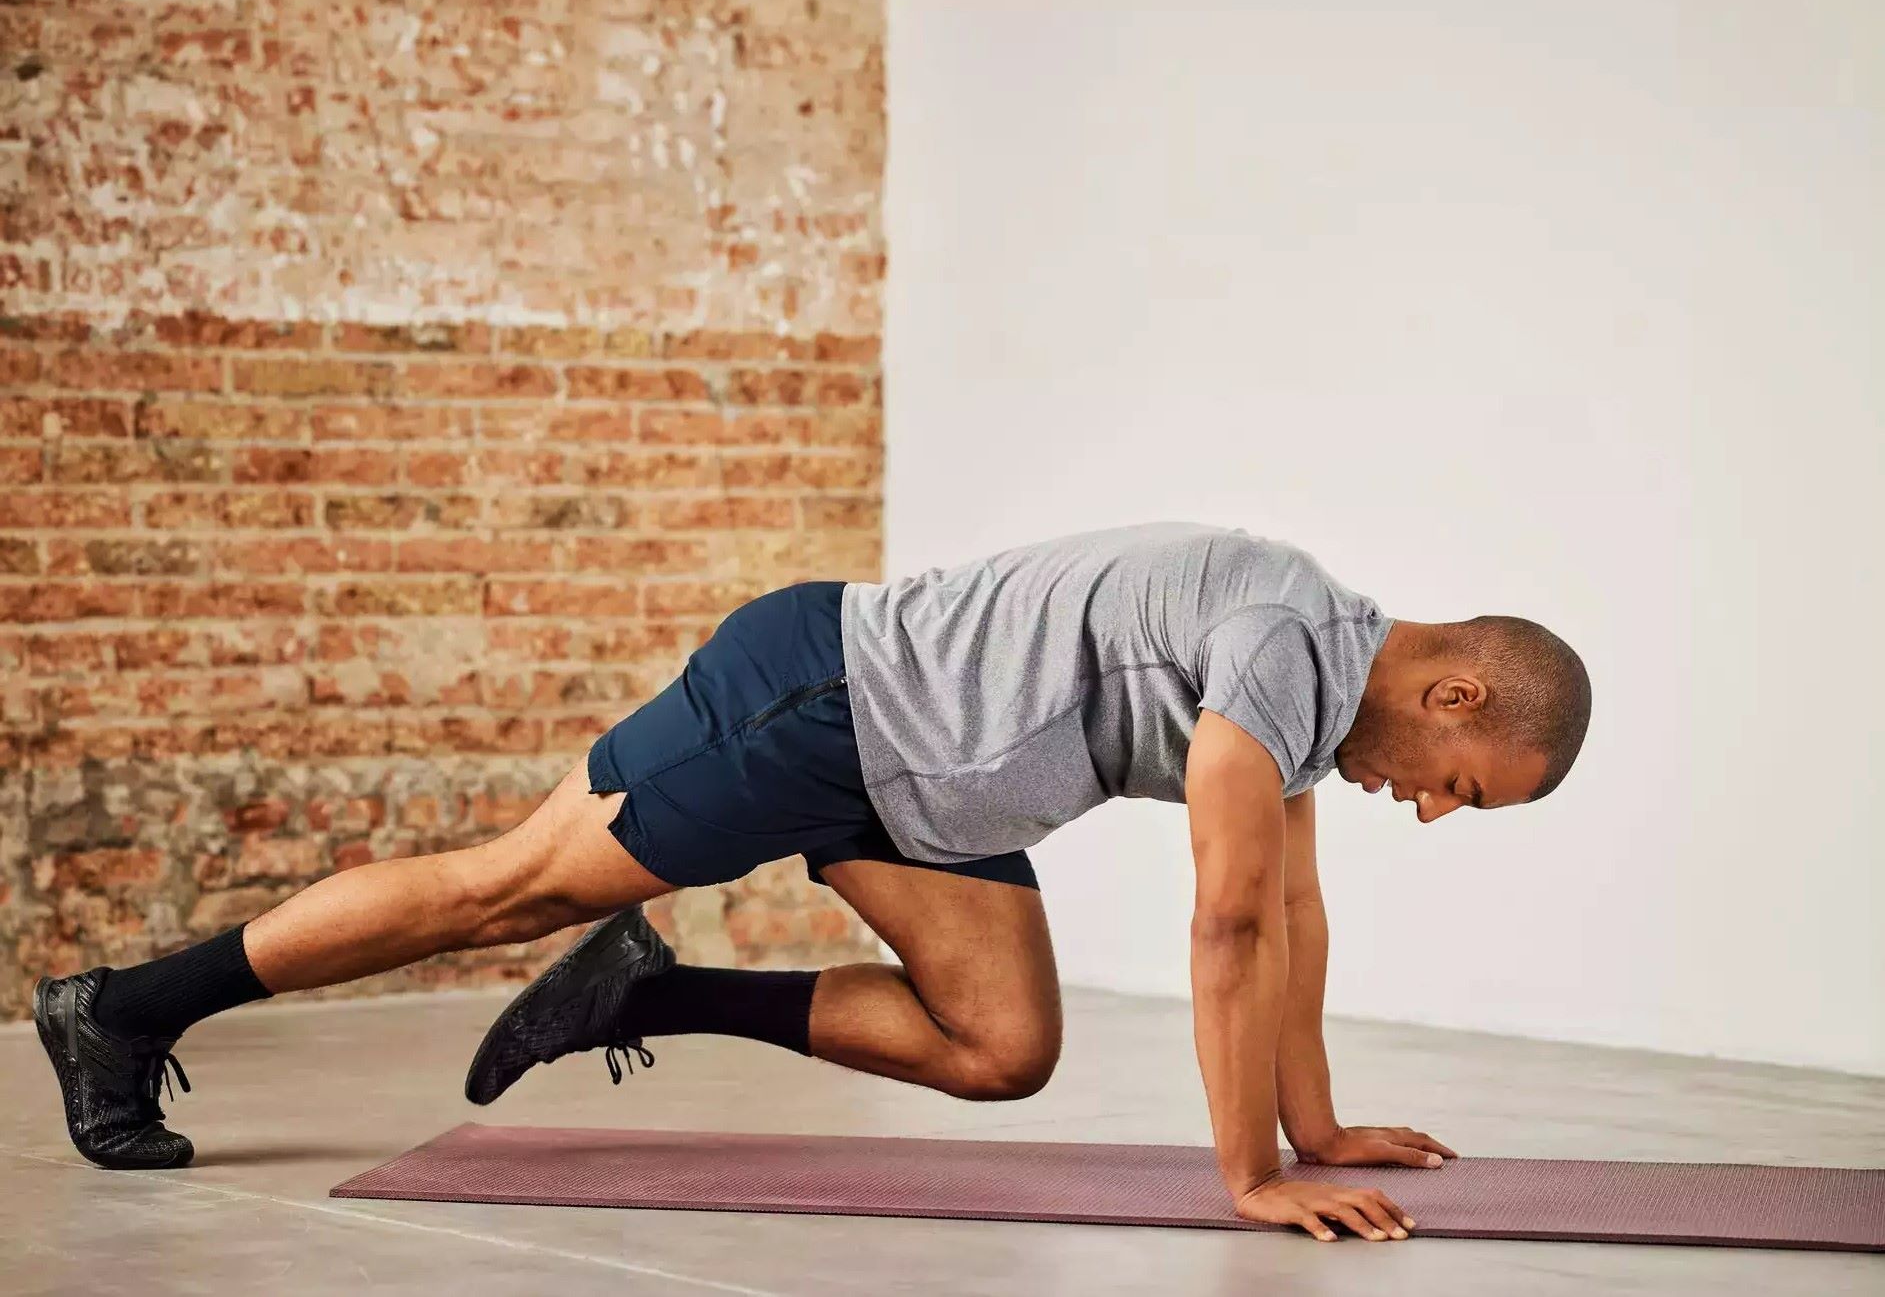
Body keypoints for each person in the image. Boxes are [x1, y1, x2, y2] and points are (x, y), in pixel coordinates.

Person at [34, 521, 1590, 1242]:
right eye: (1460, 789)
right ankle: (119, 1007)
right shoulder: (1278, 638)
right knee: (503, 888)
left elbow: (1292, 916)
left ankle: (651, 986)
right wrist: (1246, 1171)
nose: (1433, 811)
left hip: (931, 776)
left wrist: (1312, 1128)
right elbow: (1229, 919)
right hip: (825, 697)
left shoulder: (1311, 687)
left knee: (1001, 1047)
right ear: (1455, 698)